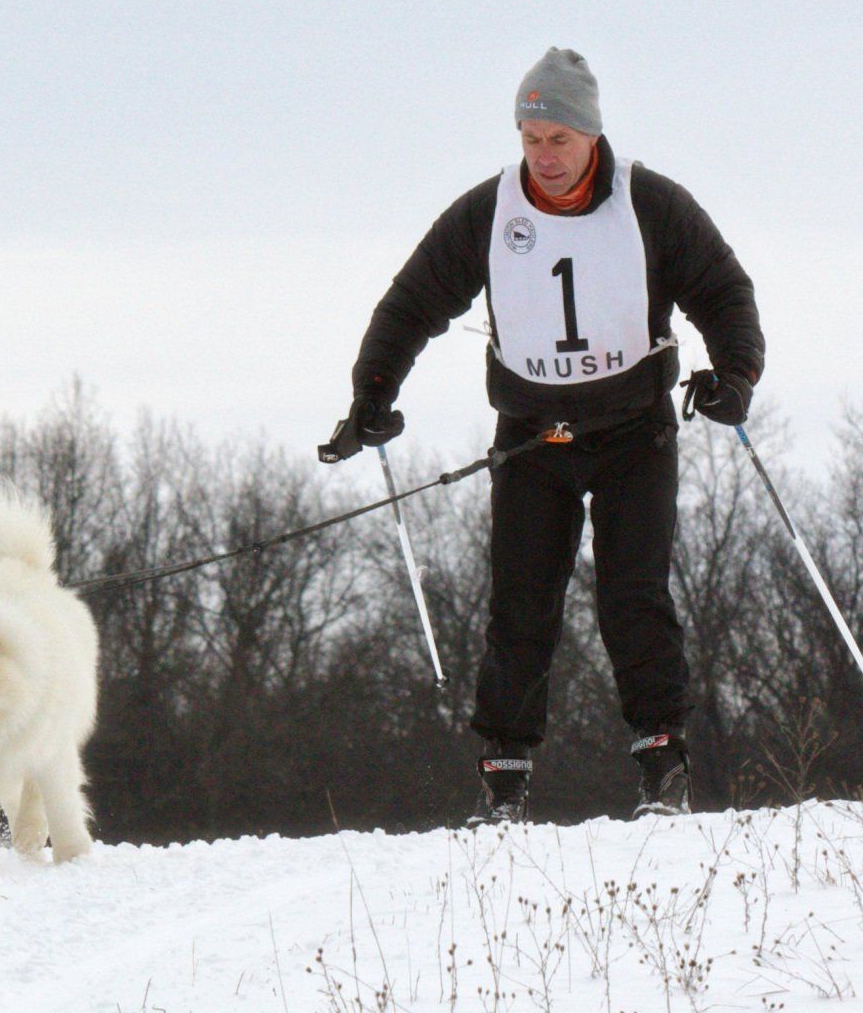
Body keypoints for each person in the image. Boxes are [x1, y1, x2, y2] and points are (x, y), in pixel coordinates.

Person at [319, 47, 764, 819]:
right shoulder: (489, 214)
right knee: (520, 604)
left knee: (635, 596)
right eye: (531, 140)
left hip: (635, 434)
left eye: (559, 139)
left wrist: (735, 378)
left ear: (591, 134)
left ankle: (663, 765)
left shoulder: (649, 204)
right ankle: (504, 780)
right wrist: (372, 395)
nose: (545, 157)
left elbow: (722, 289)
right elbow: (413, 301)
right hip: (532, 438)